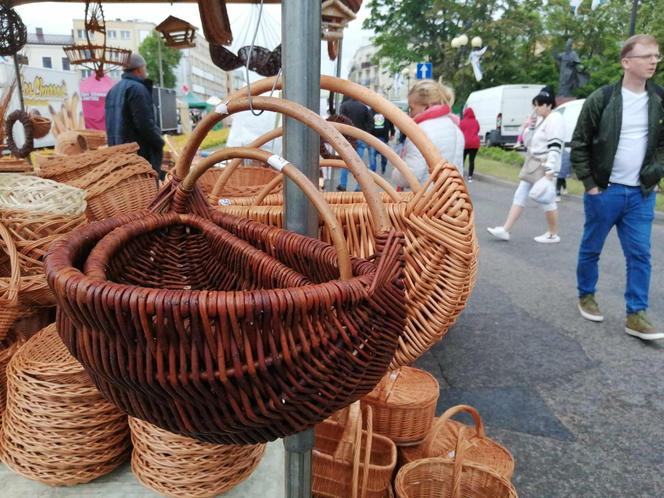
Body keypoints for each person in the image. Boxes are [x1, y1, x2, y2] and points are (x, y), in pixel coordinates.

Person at [572, 34, 664, 340]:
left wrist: (654, 174)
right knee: (592, 248)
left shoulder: (660, 99)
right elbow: (580, 143)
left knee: (640, 254)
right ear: (626, 62)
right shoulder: (603, 98)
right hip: (605, 190)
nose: (653, 61)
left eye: (656, 56)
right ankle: (586, 295)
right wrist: (590, 184)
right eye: (646, 56)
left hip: (641, 194)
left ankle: (636, 314)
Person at [487, 86, 564, 243]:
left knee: (546, 199)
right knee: (520, 195)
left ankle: (552, 233)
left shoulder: (555, 119)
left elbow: (555, 147)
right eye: (535, 104)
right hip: (532, 164)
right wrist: (531, 125)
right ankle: (506, 229)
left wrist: (550, 172)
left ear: (549, 105)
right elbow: (528, 142)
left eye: (540, 105)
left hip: (544, 166)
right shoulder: (541, 120)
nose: (536, 108)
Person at [392, 79, 464, 188]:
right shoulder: (455, 128)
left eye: (411, 108)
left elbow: (410, 175)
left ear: (427, 106)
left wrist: (396, 173)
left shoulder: (420, 132)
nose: (410, 114)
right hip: (451, 199)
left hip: (427, 200)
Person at [105, 52, 165, 179]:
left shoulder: (113, 90)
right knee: (145, 192)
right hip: (139, 154)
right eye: (145, 68)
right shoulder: (137, 89)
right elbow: (145, 124)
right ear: (139, 69)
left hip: (118, 153)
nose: (146, 72)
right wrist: (159, 142)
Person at [338, 95, 372, 191]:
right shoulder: (363, 107)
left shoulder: (344, 106)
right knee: (358, 164)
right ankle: (358, 187)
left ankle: (343, 185)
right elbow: (370, 122)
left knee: (345, 162)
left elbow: (340, 121)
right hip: (359, 137)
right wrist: (365, 132)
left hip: (347, 138)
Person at [369, 110, 395, 174]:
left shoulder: (385, 111)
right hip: (373, 138)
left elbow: (391, 124)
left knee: (384, 156)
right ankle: (373, 171)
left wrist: (392, 133)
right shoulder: (370, 112)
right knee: (372, 155)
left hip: (384, 138)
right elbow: (367, 122)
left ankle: (383, 167)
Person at [460, 107, 480, 182]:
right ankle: (470, 177)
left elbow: (460, 131)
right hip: (475, 143)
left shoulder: (462, 122)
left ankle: (460, 175)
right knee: (472, 160)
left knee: (462, 160)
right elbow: (477, 130)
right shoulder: (476, 122)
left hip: (465, 143)